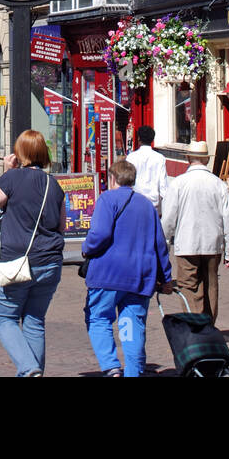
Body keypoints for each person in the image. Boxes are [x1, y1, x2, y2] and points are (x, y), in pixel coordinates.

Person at [81, 160, 173, 377]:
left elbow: (100, 234)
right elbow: (160, 244)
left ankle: (111, 366)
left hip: (107, 275)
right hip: (139, 277)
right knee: (131, 325)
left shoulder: (107, 199)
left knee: (99, 318)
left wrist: (86, 248)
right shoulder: (147, 206)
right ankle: (134, 371)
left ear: (112, 178)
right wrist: (165, 277)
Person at [0, 130, 65, 377]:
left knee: (4, 318)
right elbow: (61, 227)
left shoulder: (13, 178)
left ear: (20, 154)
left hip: (17, 261)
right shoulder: (55, 184)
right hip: (50, 261)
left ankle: (29, 368)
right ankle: (33, 372)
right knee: (34, 320)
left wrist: (7, 172)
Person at [161, 143, 229, 325]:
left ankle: (196, 326)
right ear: (207, 159)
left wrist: (163, 243)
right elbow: (228, 219)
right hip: (213, 245)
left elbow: (169, 218)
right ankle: (209, 325)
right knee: (211, 285)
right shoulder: (218, 184)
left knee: (189, 286)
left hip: (186, 244)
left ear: (187, 158)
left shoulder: (178, 183)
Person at [127, 125, 169, 213]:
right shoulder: (159, 158)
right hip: (153, 205)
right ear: (152, 140)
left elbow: (127, 182)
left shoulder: (131, 157)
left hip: (135, 203)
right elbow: (163, 186)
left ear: (138, 139)